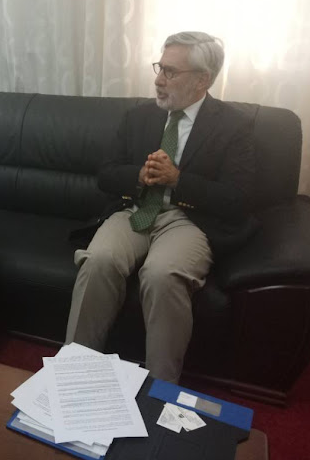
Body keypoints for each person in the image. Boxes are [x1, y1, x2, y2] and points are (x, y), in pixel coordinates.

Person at [65, 32, 256, 383]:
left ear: (202, 80)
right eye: (159, 67)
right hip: (134, 210)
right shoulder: (138, 116)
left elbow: (237, 199)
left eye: (171, 72)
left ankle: (160, 389)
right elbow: (105, 174)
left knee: (162, 274)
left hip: (189, 220)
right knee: (98, 261)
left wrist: (177, 179)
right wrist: (139, 176)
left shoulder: (234, 126)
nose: (158, 80)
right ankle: (74, 375)